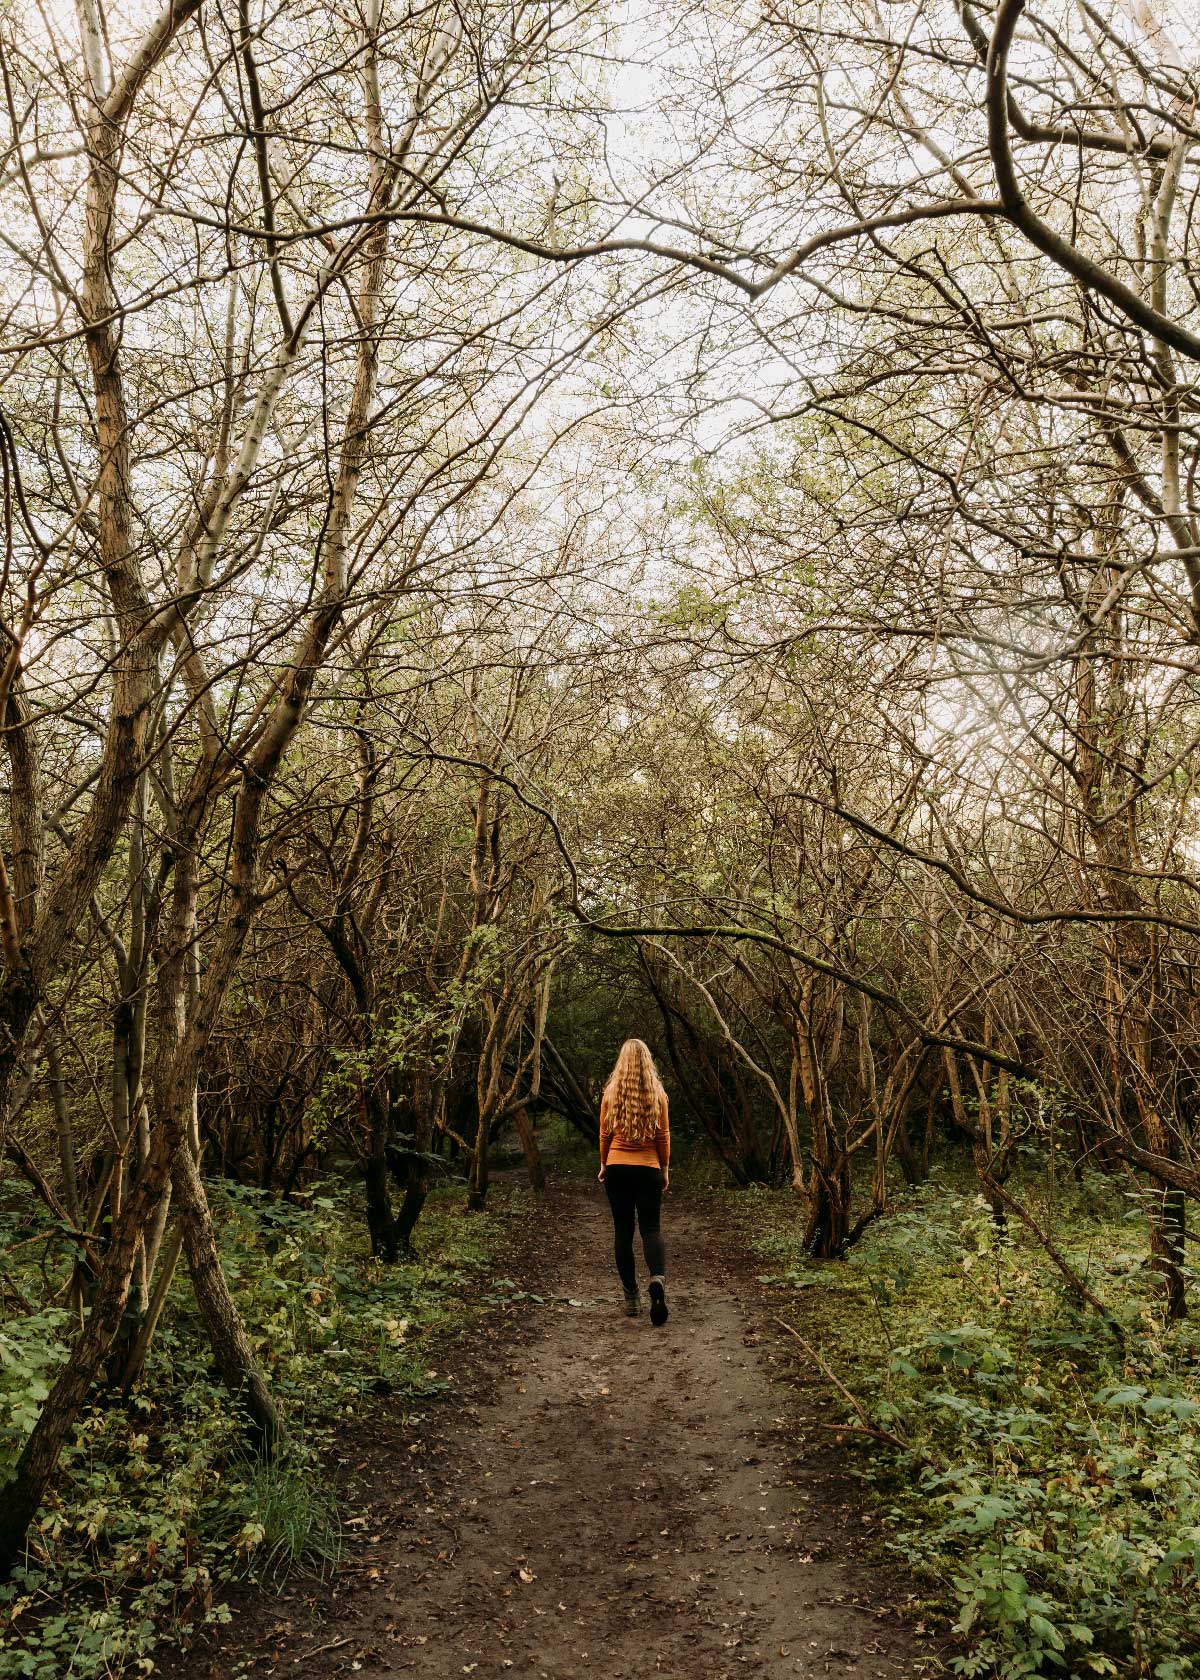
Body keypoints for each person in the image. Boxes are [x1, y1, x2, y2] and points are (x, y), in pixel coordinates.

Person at [596, 1038, 670, 1324]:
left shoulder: (611, 1094)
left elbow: (604, 1135)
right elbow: (663, 1137)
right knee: (651, 1228)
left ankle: (631, 1299)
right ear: (647, 1061)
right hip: (648, 1168)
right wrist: (663, 1168)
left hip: (617, 1168)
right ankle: (658, 1278)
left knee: (623, 1233)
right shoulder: (657, 1095)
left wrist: (604, 1164)